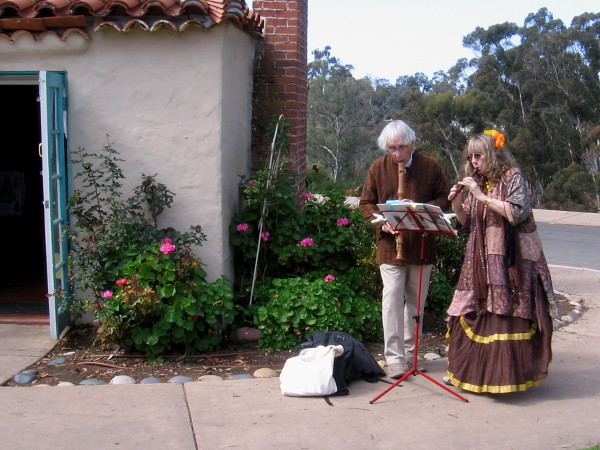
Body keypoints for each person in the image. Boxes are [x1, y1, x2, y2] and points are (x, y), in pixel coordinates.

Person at [445, 130, 559, 393]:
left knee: (507, 310)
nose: (474, 161)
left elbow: (518, 212)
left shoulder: (512, 176)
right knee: (471, 306)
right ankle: (470, 372)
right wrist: (459, 203)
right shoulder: (476, 181)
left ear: (493, 155)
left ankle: (506, 377)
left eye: (479, 156)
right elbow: (468, 223)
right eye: (470, 156)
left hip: (511, 260)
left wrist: (482, 196)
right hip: (480, 258)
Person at [359, 120, 450, 379]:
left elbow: (444, 199)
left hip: (421, 245)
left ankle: (412, 356)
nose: (397, 155)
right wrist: (382, 222)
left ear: (412, 144)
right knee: (391, 302)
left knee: (416, 304)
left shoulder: (430, 165)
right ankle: (395, 358)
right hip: (390, 247)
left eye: (401, 148)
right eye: (391, 149)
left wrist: (419, 207)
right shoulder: (378, 167)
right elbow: (366, 203)